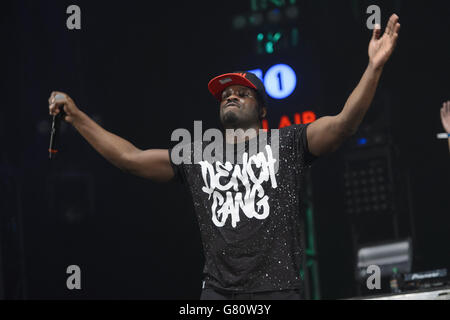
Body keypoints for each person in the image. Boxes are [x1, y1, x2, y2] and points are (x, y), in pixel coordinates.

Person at [48, 14, 401, 300]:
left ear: (262, 109)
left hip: (277, 290)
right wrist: (77, 117)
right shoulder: (198, 154)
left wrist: (373, 68)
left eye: (241, 93)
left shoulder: (288, 142)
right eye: (224, 95)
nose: (230, 97)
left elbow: (343, 125)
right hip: (217, 293)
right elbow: (131, 157)